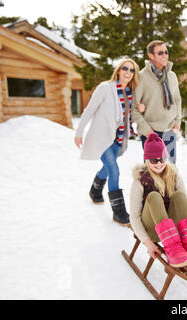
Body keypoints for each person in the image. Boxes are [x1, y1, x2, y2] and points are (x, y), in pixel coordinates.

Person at [74, 58, 140, 226]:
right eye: (125, 68)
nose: (128, 72)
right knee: (114, 171)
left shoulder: (130, 94)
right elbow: (89, 110)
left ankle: (95, 190)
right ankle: (118, 213)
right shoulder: (105, 88)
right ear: (118, 70)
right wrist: (79, 132)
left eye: (131, 70)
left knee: (108, 167)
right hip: (102, 138)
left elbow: (129, 116)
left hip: (118, 139)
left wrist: (140, 109)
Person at [129, 132, 187, 267]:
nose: (159, 164)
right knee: (154, 196)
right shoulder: (140, 181)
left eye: (162, 159)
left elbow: (182, 206)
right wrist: (148, 243)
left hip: (173, 229)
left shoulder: (174, 176)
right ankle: (172, 249)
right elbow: (134, 217)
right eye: (153, 160)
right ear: (147, 161)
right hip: (152, 229)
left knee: (179, 196)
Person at [132, 40, 182, 164]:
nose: (165, 55)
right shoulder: (141, 77)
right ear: (151, 56)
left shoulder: (172, 76)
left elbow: (177, 100)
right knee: (153, 173)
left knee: (171, 171)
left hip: (169, 131)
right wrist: (148, 132)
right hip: (151, 133)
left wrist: (177, 121)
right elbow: (134, 108)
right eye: (160, 53)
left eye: (166, 52)